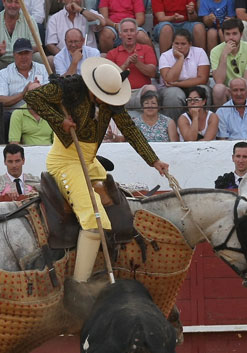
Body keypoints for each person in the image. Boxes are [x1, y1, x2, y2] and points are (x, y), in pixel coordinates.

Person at [24, 58, 170, 283]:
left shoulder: (110, 101)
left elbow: (130, 130)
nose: (108, 102)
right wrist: (58, 120)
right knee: (95, 220)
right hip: (65, 162)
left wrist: (154, 160)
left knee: (121, 200)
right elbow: (32, 96)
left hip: (90, 162)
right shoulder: (69, 90)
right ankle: (79, 285)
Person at [0, 0, 40, 94]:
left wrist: (23, 52)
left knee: (39, 57)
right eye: (10, 1)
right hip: (2, 61)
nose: (13, 5)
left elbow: (37, 47)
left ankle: (35, 94)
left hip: (24, 60)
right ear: (3, 2)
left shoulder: (29, 20)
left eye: (16, 2)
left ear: (21, 4)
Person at [158, 28, 210, 122]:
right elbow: (169, 80)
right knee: (173, 94)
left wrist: (177, 83)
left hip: (193, 86)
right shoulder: (165, 56)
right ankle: (174, 128)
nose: (179, 47)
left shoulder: (200, 52)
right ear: (172, 43)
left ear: (190, 44)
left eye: (183, 44)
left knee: (204, 90)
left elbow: (203, 79)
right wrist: (181, 59)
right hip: (170, 89)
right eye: (176, 44)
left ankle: (202, 126)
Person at [210, 18, 247, 107]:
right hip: (228, 89)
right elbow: (219, 81)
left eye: (234, 34)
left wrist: (237, 91)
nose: (231, 37)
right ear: (223, 35)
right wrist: (224, 55)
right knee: (218, 89)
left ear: (241, 34)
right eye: (227, 34)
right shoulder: (215, 51)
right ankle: (222, 120)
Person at [106, 17, 158, 109]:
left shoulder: (147, 49)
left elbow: (152, 73)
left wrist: (137, 63)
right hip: (120, 93)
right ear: (120, 35)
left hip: (141, 92)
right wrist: (125, 64)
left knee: (151, 89)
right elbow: (110, 79)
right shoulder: (112, 53)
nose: (129, 34)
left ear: (136, 33)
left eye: (132, 30)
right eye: (125, 31)